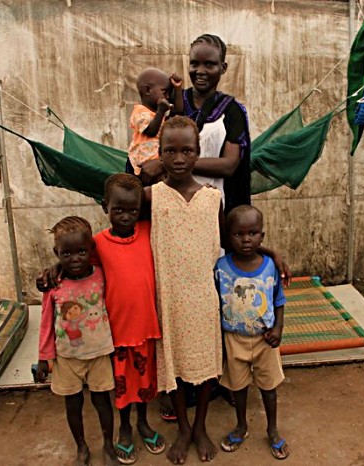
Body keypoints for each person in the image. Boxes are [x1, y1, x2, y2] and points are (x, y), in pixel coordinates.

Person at [143, 116, 223, 464]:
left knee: (206, 365)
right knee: (173, 366)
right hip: (169, 298)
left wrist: (271, 253)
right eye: (170, 150)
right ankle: (184, 427)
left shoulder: (213, 199)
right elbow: (118, 219)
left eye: (186, 150)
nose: (178, 158)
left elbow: (230, 245)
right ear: (158, 153)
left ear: (197, 152)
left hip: (204, 297)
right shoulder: (151, 197)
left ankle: (201, 425)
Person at [93, 173, 165, 464]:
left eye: (132, 210)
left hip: (146, 328)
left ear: (140, 210)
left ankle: (143, 423)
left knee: (145, 382)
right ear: (105, 207)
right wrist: (54, 270)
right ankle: (125, 428)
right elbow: (76, 267)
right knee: (122, 386)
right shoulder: (96, 243)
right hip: (118, 331)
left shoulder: (149, 232)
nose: (125, 216)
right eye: (118, 210)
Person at [35, 216, 117, 466]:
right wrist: (43, 358)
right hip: (67, 359)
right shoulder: (54, 284)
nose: (75, 259)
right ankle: (81, 446)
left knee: (102, 401)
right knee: (73, 404)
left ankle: (108, 445)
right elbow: (47, 323)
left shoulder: (103, 276)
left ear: (91, 249)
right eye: (66, 253)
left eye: (81, 251)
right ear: (56, 253)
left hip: (100, 354)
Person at [139, 33, 251, 215]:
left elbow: (229, 165)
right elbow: (146, 141)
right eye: (194, 63)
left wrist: (166, 164)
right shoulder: (171, 102)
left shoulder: (232, 111)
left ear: (223, 68)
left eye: (209, 64)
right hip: (170, 206)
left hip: (213, 208)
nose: (200, 71)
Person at [214, 205, 290, 460]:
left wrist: (278, 329)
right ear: (228, 236)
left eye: (253, 233)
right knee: (238, 387)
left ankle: (272, 429)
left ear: (262, 236)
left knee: (268, 387)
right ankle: (241, 425)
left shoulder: (270, 266)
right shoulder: (221, 267)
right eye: (238, 234)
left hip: (265, 341)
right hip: (234, 340)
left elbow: (279, 301)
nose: (246, 239)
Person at [127, 67, 183, 180]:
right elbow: (151, 131)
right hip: (141, 165)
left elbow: (179, 111)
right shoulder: (139, 112)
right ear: (147, 90)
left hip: (157, 163)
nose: (167, 97)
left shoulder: (159, 114)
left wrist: (177, 89)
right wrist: (161, 111)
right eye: (164, 92)